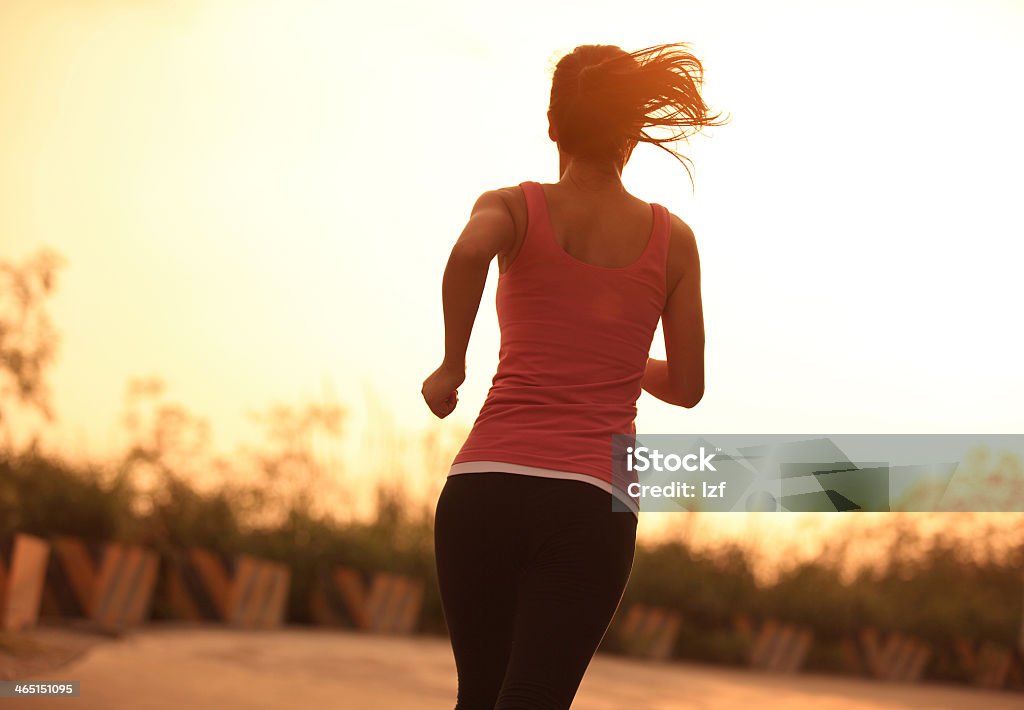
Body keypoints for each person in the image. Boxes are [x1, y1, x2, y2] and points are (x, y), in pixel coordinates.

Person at [421, 42, 722, 710]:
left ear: (553, 124)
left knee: (480, 696)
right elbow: (690, 386)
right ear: (632, 133)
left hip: (484, 486)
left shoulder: (512, 205)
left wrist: (451, 362)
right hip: (589, 499)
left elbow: (470, 251)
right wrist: (616, 357)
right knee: (533, 698)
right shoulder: (672, 241)